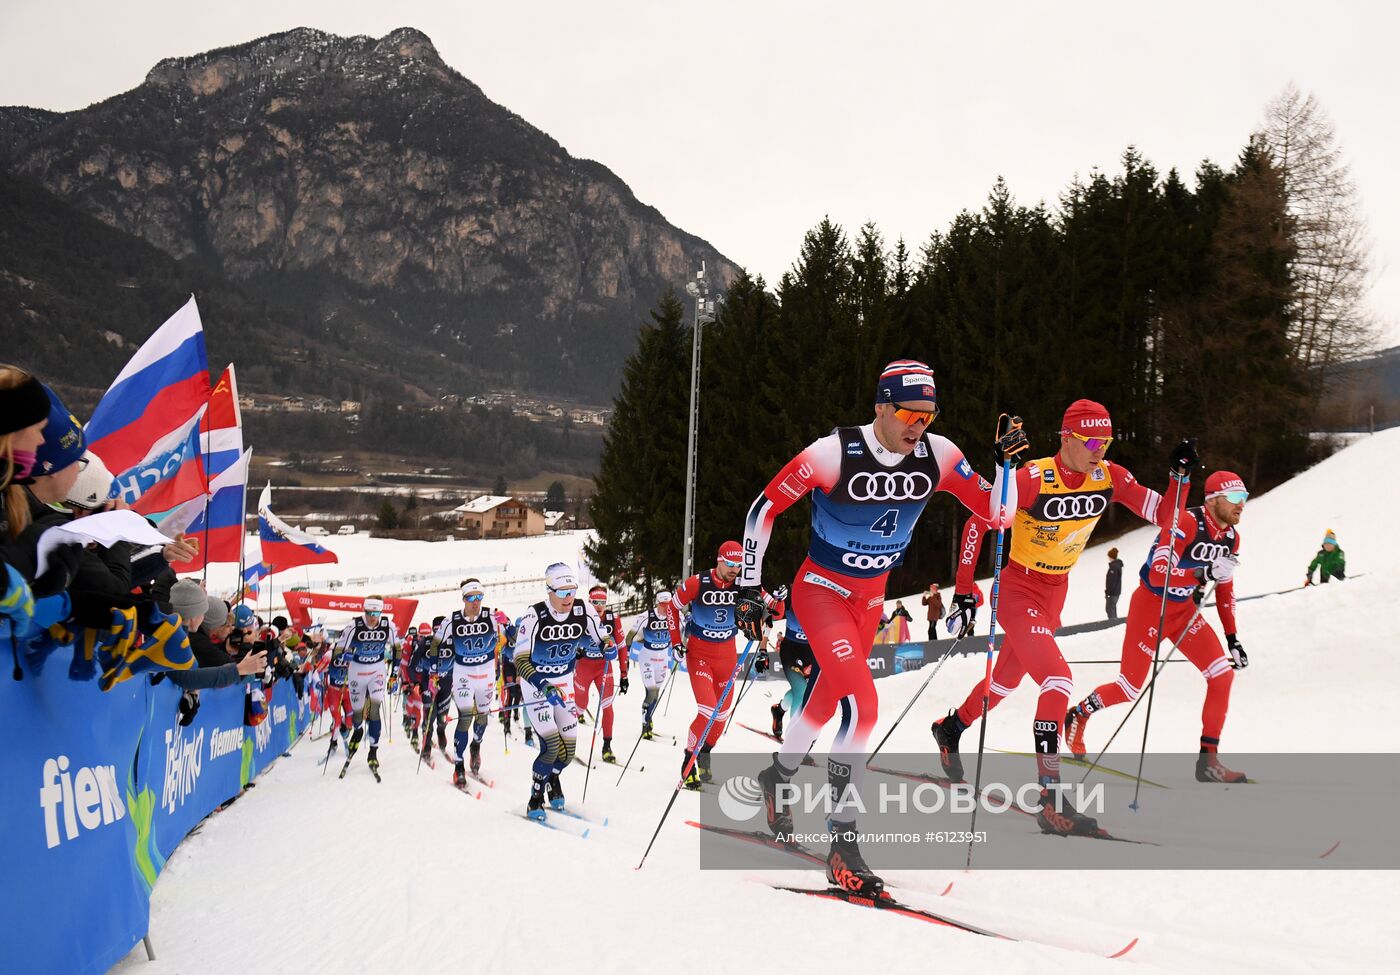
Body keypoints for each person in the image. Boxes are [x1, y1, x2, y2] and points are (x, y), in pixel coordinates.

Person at [737, 358, 1022, 895]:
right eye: (910, 413)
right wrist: (750, 586)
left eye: (928, 415)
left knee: (824, 702)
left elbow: (998, 514)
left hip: (869, 602)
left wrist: (1005, 468)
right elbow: (763, 509)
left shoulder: (939, 456)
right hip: (821, 593)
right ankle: (842, 844)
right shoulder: (833, 453)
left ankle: (776, 777)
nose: (919, 425)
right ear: (881, 407)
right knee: (862, 707)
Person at [933, 399, 1194, 837]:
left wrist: (1179, 478)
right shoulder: (1034, 476)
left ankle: (951, 727)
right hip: (1018, 588)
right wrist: (963, 588)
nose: (1100, 450)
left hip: (1056, 590)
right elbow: (980, 520)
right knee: (1057, 680)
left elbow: (1167, 518)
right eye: (1092, 440)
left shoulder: (1109, 475)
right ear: (1067, 437)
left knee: (1004, 682)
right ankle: (1050, 798)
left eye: (1106, 441)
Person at [1067, 471, 1250, 782]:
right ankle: (1079, 713)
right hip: (1151, 607)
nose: (1240, 505)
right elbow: (1157, 572)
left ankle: (1208, 761)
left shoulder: (1231, 537)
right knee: (1129, 688)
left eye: (1244, 498)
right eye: (1234, 498)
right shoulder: (1186, 523)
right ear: (1213, 500)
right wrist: (1201, 573)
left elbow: (1225, 589)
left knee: (1221, 675)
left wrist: (1232, 637)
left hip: (1183, 612)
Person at [673, 541, 784, 790]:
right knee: (707, 709)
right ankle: (688, 759)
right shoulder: (697, 583)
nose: (735, 569)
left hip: (727, 655)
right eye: (730, 564)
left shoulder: (746, 586)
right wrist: (675, 641)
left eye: (739, 565)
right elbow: (673, 607)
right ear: (719, 560)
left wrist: (778, 598)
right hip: (699, 653)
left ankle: (705, 754)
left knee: (721, 715)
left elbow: (775, 611)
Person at [514, 563, 613, 820]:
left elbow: (601, 635)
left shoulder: (583, 609)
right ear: (549, 591)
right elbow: (520, 661)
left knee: (567, 753)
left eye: (572, 590)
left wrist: (607, 645)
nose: (569, 597)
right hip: (537, 684)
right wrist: (542, 685)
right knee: (551, 746)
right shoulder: (534, 616)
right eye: (562, 592)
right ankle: (534, 798)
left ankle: (552, 779)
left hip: (564, 681)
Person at [436, 579, 503, 786]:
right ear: (463, 599)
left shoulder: (492, 617)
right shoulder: (451, 621)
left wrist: (507, 626)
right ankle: (458, 766)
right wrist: (434, 667)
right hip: (463, 674)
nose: (476, 602)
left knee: (482, 718)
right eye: (471, 598)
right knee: (465, 717)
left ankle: (476, 746)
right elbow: (435, 645)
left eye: (479, 597)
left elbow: (510, 639)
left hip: (486, 674)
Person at [333, 595, 398, 777]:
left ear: (381, 612)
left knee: (376, 708)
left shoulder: (388, 626)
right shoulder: (353, 626)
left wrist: (394, 674)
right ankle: (358, 729)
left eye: (375, 613)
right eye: (369, 612)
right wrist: (346, 657)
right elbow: (338, 650)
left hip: (377, 670)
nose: (372, 617)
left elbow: (397, 649)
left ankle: (373, 752)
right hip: (357, 671)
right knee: (358, 713)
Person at [575, 584, 628, 763]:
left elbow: (622, 647)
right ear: (589, 602)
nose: (599, 606)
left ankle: (607, 746)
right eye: (595, 602)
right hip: (583, 667)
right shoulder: (580, 618)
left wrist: (624, 674)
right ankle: (564, 740)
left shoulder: (613, 620)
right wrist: (576, 651)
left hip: (603, 668)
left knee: (607, 705)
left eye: (602, 602)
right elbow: (567, 643)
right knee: (580, 705)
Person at [623, 590, 681, 740]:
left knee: (655, 694)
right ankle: (645, 723)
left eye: (668, 605)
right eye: (663, 605)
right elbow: (630, 636)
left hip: (663, 658)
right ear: (657, 603)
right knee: (651, 692)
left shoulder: (676, 615)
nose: (666, 608)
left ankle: (649, 718)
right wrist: (627, 657)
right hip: (647, 657)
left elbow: (683, 632)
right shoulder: (646, 616)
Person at [769, 605, 813, 742]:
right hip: (790, 651)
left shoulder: (821, 598)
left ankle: (779, 710)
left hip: (811, 652)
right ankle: (795, 741)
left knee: (804, 691)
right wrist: (763, 648)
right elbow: (771, 617)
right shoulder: (793, 598)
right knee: (801, 691)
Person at [1105, 547, 1123, 619]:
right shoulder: (1116, 565)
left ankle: (1112, 624)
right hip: (1115, 592)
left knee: (1110, 609)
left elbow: (1112, 581)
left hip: (1113, 593)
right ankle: (1114, 622)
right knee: (1112, 608)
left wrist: (1108, 592)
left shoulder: (1114, 567)